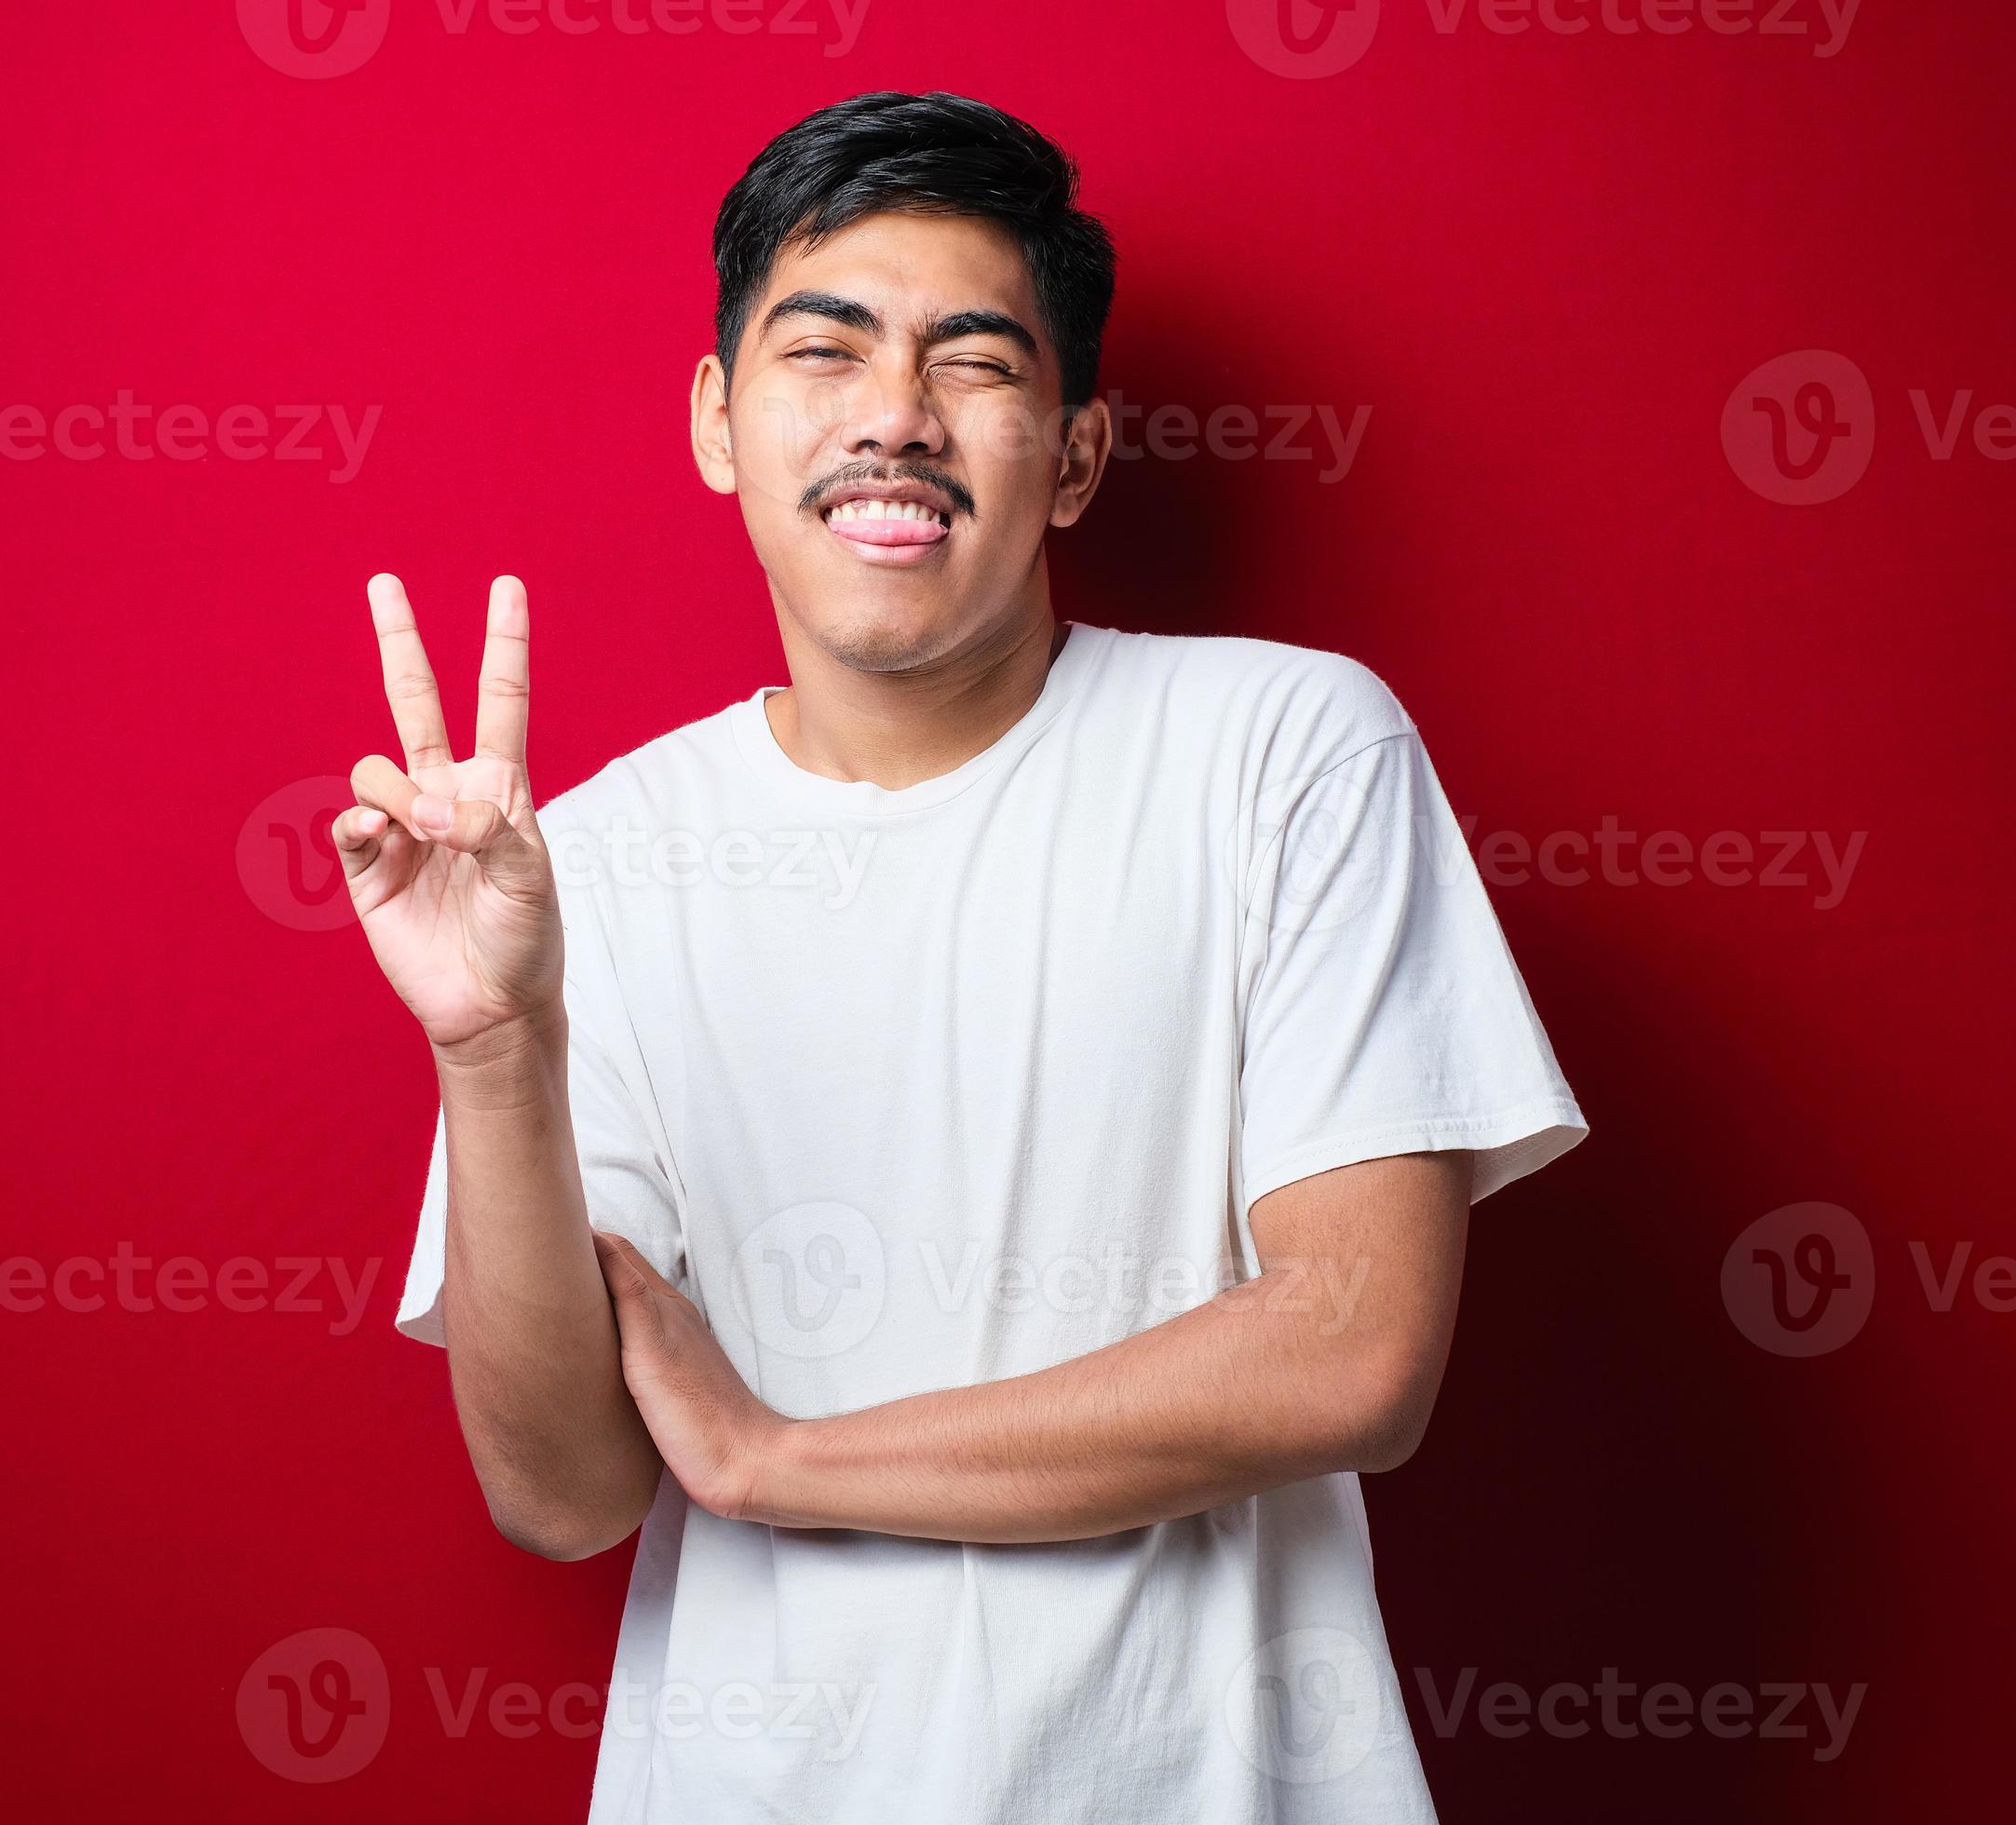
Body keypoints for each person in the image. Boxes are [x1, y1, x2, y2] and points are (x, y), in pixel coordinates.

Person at [339, 90, 1585, 1825]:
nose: (894, 422)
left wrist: (780, 1463)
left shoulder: (1289, 750)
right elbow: (564, 1492)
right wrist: (489, 1051)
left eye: (976, 364)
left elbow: (1355, 1354)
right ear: (717, 418)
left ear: (1074, 453)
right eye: (825, 351)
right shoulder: (595, 864)